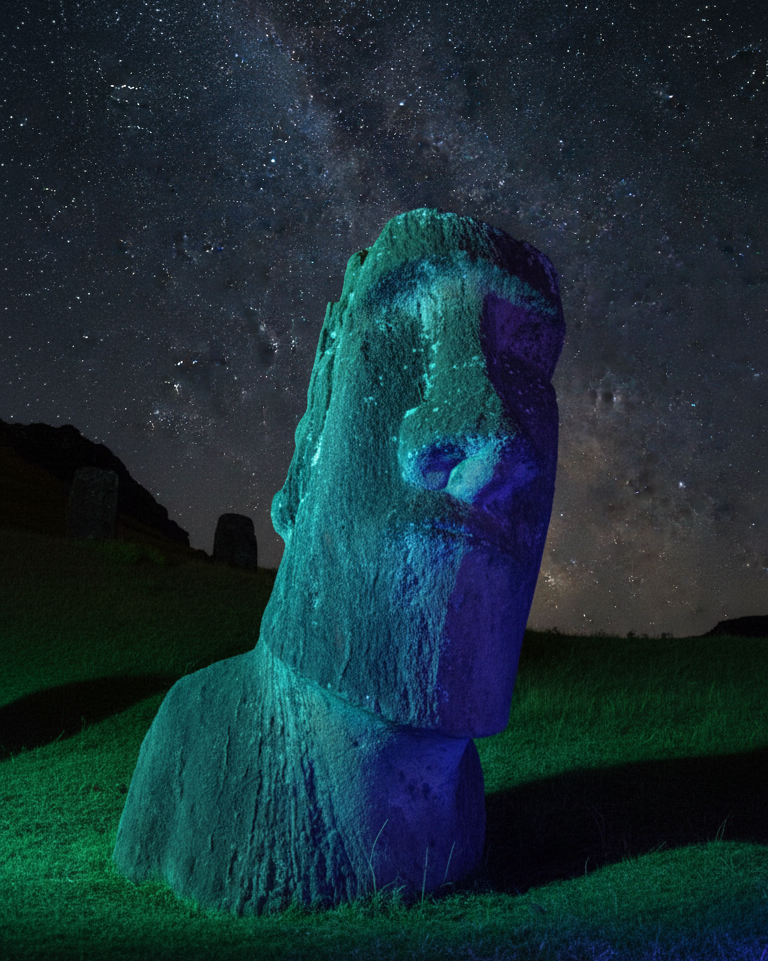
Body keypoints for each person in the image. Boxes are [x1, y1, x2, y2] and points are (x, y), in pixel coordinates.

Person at [113, 208, 565, 913]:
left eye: (528, 356)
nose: (491, 434)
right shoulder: (196, 734)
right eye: (400, 330)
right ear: (319, 409)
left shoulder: (464, 787)